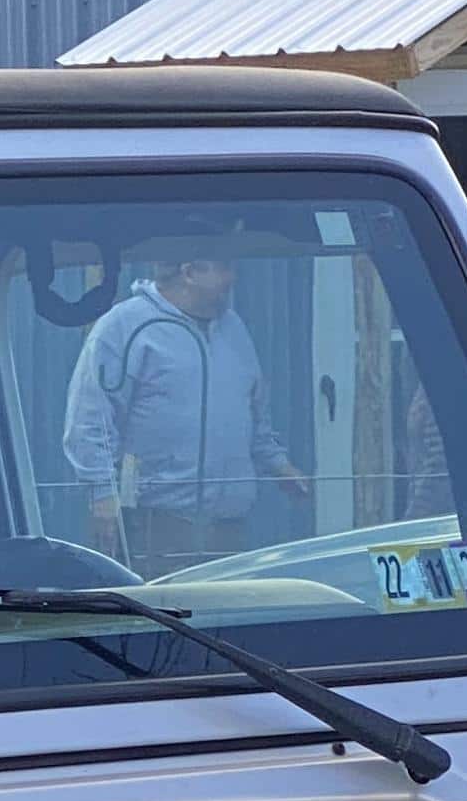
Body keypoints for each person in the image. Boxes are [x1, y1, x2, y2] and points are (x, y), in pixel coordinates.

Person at [62, 236, 314, 569]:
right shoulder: (125, 326)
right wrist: (102, 497)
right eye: (223, 268)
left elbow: (254, 415)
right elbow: (89, 419)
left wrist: (280, 466)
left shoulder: (233, 328)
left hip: (229, 531)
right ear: (189, 272)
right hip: (157, 527)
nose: (231, 278)